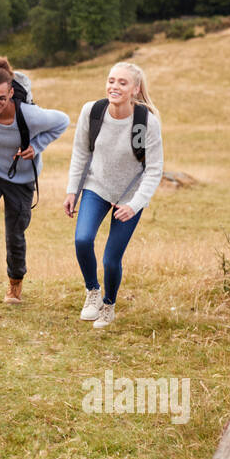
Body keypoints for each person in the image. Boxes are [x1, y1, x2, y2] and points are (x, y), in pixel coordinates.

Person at [64, 61, 164, 329]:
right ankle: (92, 291)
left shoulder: (146, 122)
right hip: (97, 187)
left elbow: (154, 170)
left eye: (122, 82)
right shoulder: (92, 112)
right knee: (83, 240)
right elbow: (81, 153)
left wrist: (135, 205)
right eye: (111, 81)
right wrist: (72, 190)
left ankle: (108, 305)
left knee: (111, 259)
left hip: (130, 196)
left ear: (135, 89)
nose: (114, 86)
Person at [0, 55, 69, 305]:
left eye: (1, 98)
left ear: (11, 92)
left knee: (15, 233)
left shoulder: (31, 115)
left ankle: (14, 286)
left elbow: (63, 121)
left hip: (21, 178)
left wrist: (37, 144)